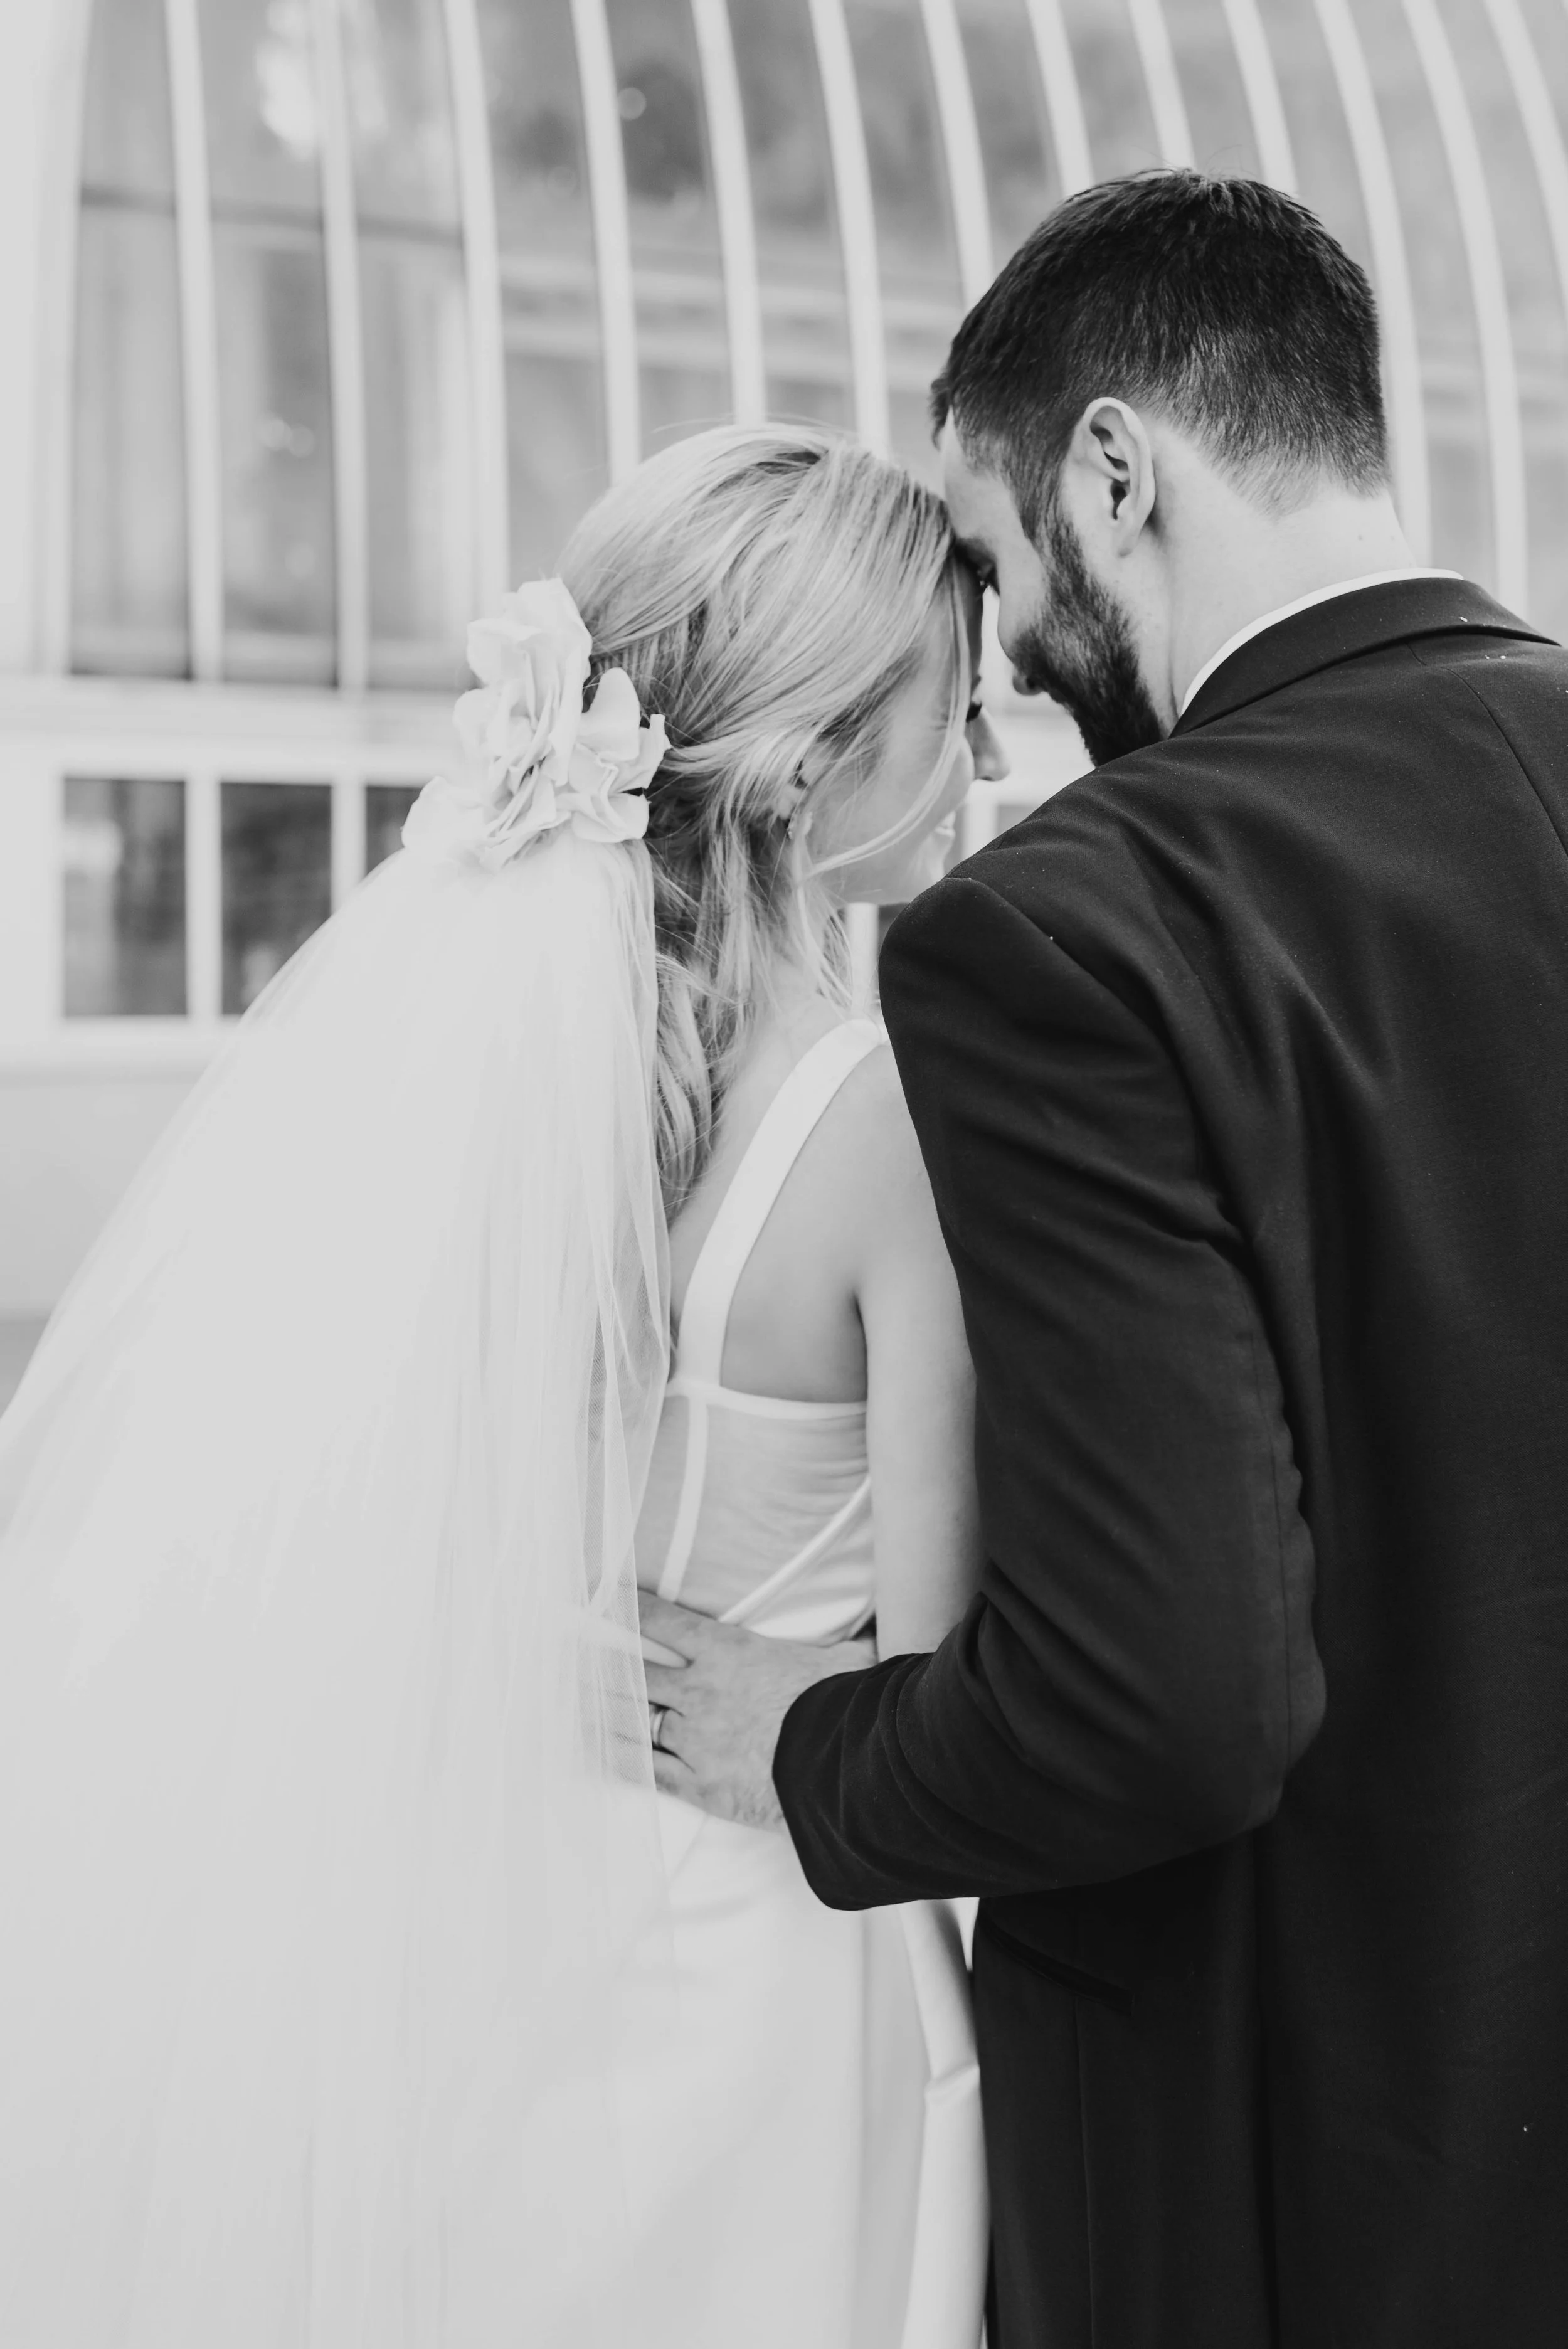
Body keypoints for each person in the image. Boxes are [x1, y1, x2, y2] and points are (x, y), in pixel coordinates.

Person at [640, 174, 1568, 2348]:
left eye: (982, 554)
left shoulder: (1074, 932)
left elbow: (1162, 1701)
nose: (997, 647)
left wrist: (814, 1746)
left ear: (1113, 471)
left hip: (1270, 2171)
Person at [0, 423, 1007, 2348]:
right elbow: (941, 1681)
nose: (976, 767)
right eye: (949, 718)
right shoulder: (880, 1124)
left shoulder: (481, 1094)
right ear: (805, 768)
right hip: (765, 1950)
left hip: (481, 1909)